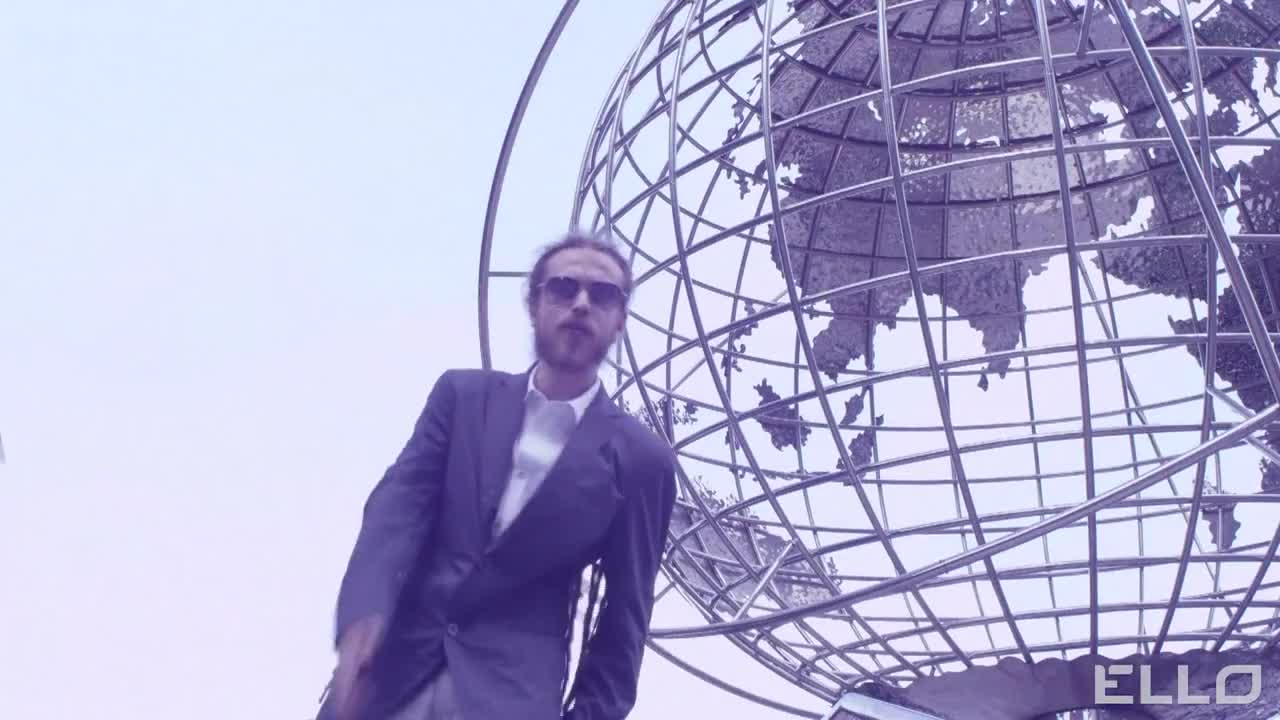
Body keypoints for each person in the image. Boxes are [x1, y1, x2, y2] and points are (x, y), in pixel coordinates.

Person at [316, 231, 678, 720]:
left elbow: (624, 621)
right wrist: (363, 616)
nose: (581, 303)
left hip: (512, 700)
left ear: (620, 320)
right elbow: (395, 513)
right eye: (564, 287)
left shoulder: (639, 460)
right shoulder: (461, 398)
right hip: (388, 682)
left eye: (603, 294)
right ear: (533, 304)